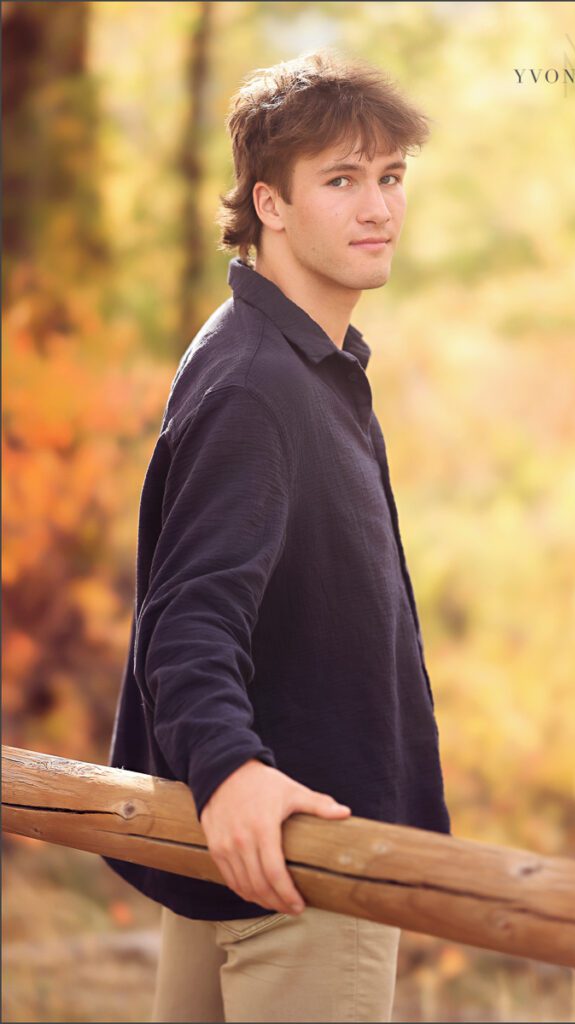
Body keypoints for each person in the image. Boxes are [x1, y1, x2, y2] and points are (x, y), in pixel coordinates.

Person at [102, 47, 451, 1023]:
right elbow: (187, 619)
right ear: (270, 203)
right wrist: (231, 772)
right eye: (340, 180)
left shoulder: (283, 357)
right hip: (300, 862)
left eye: (389, 178)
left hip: (240, 850)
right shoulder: (259, 385)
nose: (378, 207)